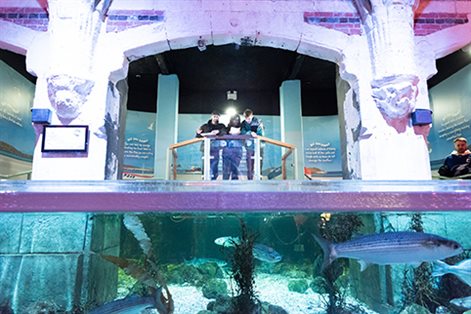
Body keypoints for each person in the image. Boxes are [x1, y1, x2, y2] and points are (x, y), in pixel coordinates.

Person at [196, 111, 226, 180]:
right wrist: (198, 133)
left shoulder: (221, 126)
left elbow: (224, 132)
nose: (215, 118)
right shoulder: (205, 126)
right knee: (205, 164)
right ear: (211, 116)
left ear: (219, 117)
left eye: (217, 116)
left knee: (215, 164)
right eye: (214, 116)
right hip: (205, 148)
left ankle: (214, 178)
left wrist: (218, 132)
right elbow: (198, 136)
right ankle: (204, 178)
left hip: (215, 148)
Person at [241, 108, 264, 180]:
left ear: (252, 115)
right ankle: (250, 179)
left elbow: (261, 133)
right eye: (246, 118)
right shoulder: (243, 123)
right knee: (249, 163)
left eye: (249, 118)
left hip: (259, 146)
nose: (248, 120)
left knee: (259, 162)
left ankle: (259, 178)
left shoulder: (258, 122)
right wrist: (250, 133)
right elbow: (242, 133)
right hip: (249, 147)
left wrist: (256, 134)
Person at [222, 114, 243, 180]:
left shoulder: (242, 128)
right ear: (231, 120)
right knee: (226, 170)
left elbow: (246, 136)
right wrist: (227, 132)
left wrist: (240, 133)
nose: (236, 121)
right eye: (234, 119)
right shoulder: (226, 128)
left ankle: (235, 187)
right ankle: (224, 186)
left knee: (235, 169)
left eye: (237, 119)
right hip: (227, 150)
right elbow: (221, 133)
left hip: (237, 150)